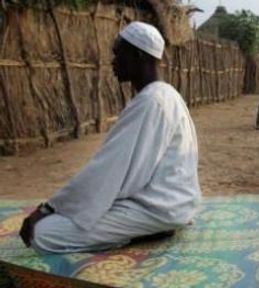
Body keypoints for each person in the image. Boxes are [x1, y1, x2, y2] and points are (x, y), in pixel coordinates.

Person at [18, 21, 201, 254]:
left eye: (118, 54)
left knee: (44, 234)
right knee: (92, 206)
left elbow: (109, 170)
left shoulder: (151, 102)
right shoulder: (166, 94)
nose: (113, 62)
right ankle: (142, 229)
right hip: (172, 201)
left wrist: (48, 209)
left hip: (159, 207)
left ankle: (140, 232)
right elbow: (123, 174)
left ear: (137, 55)